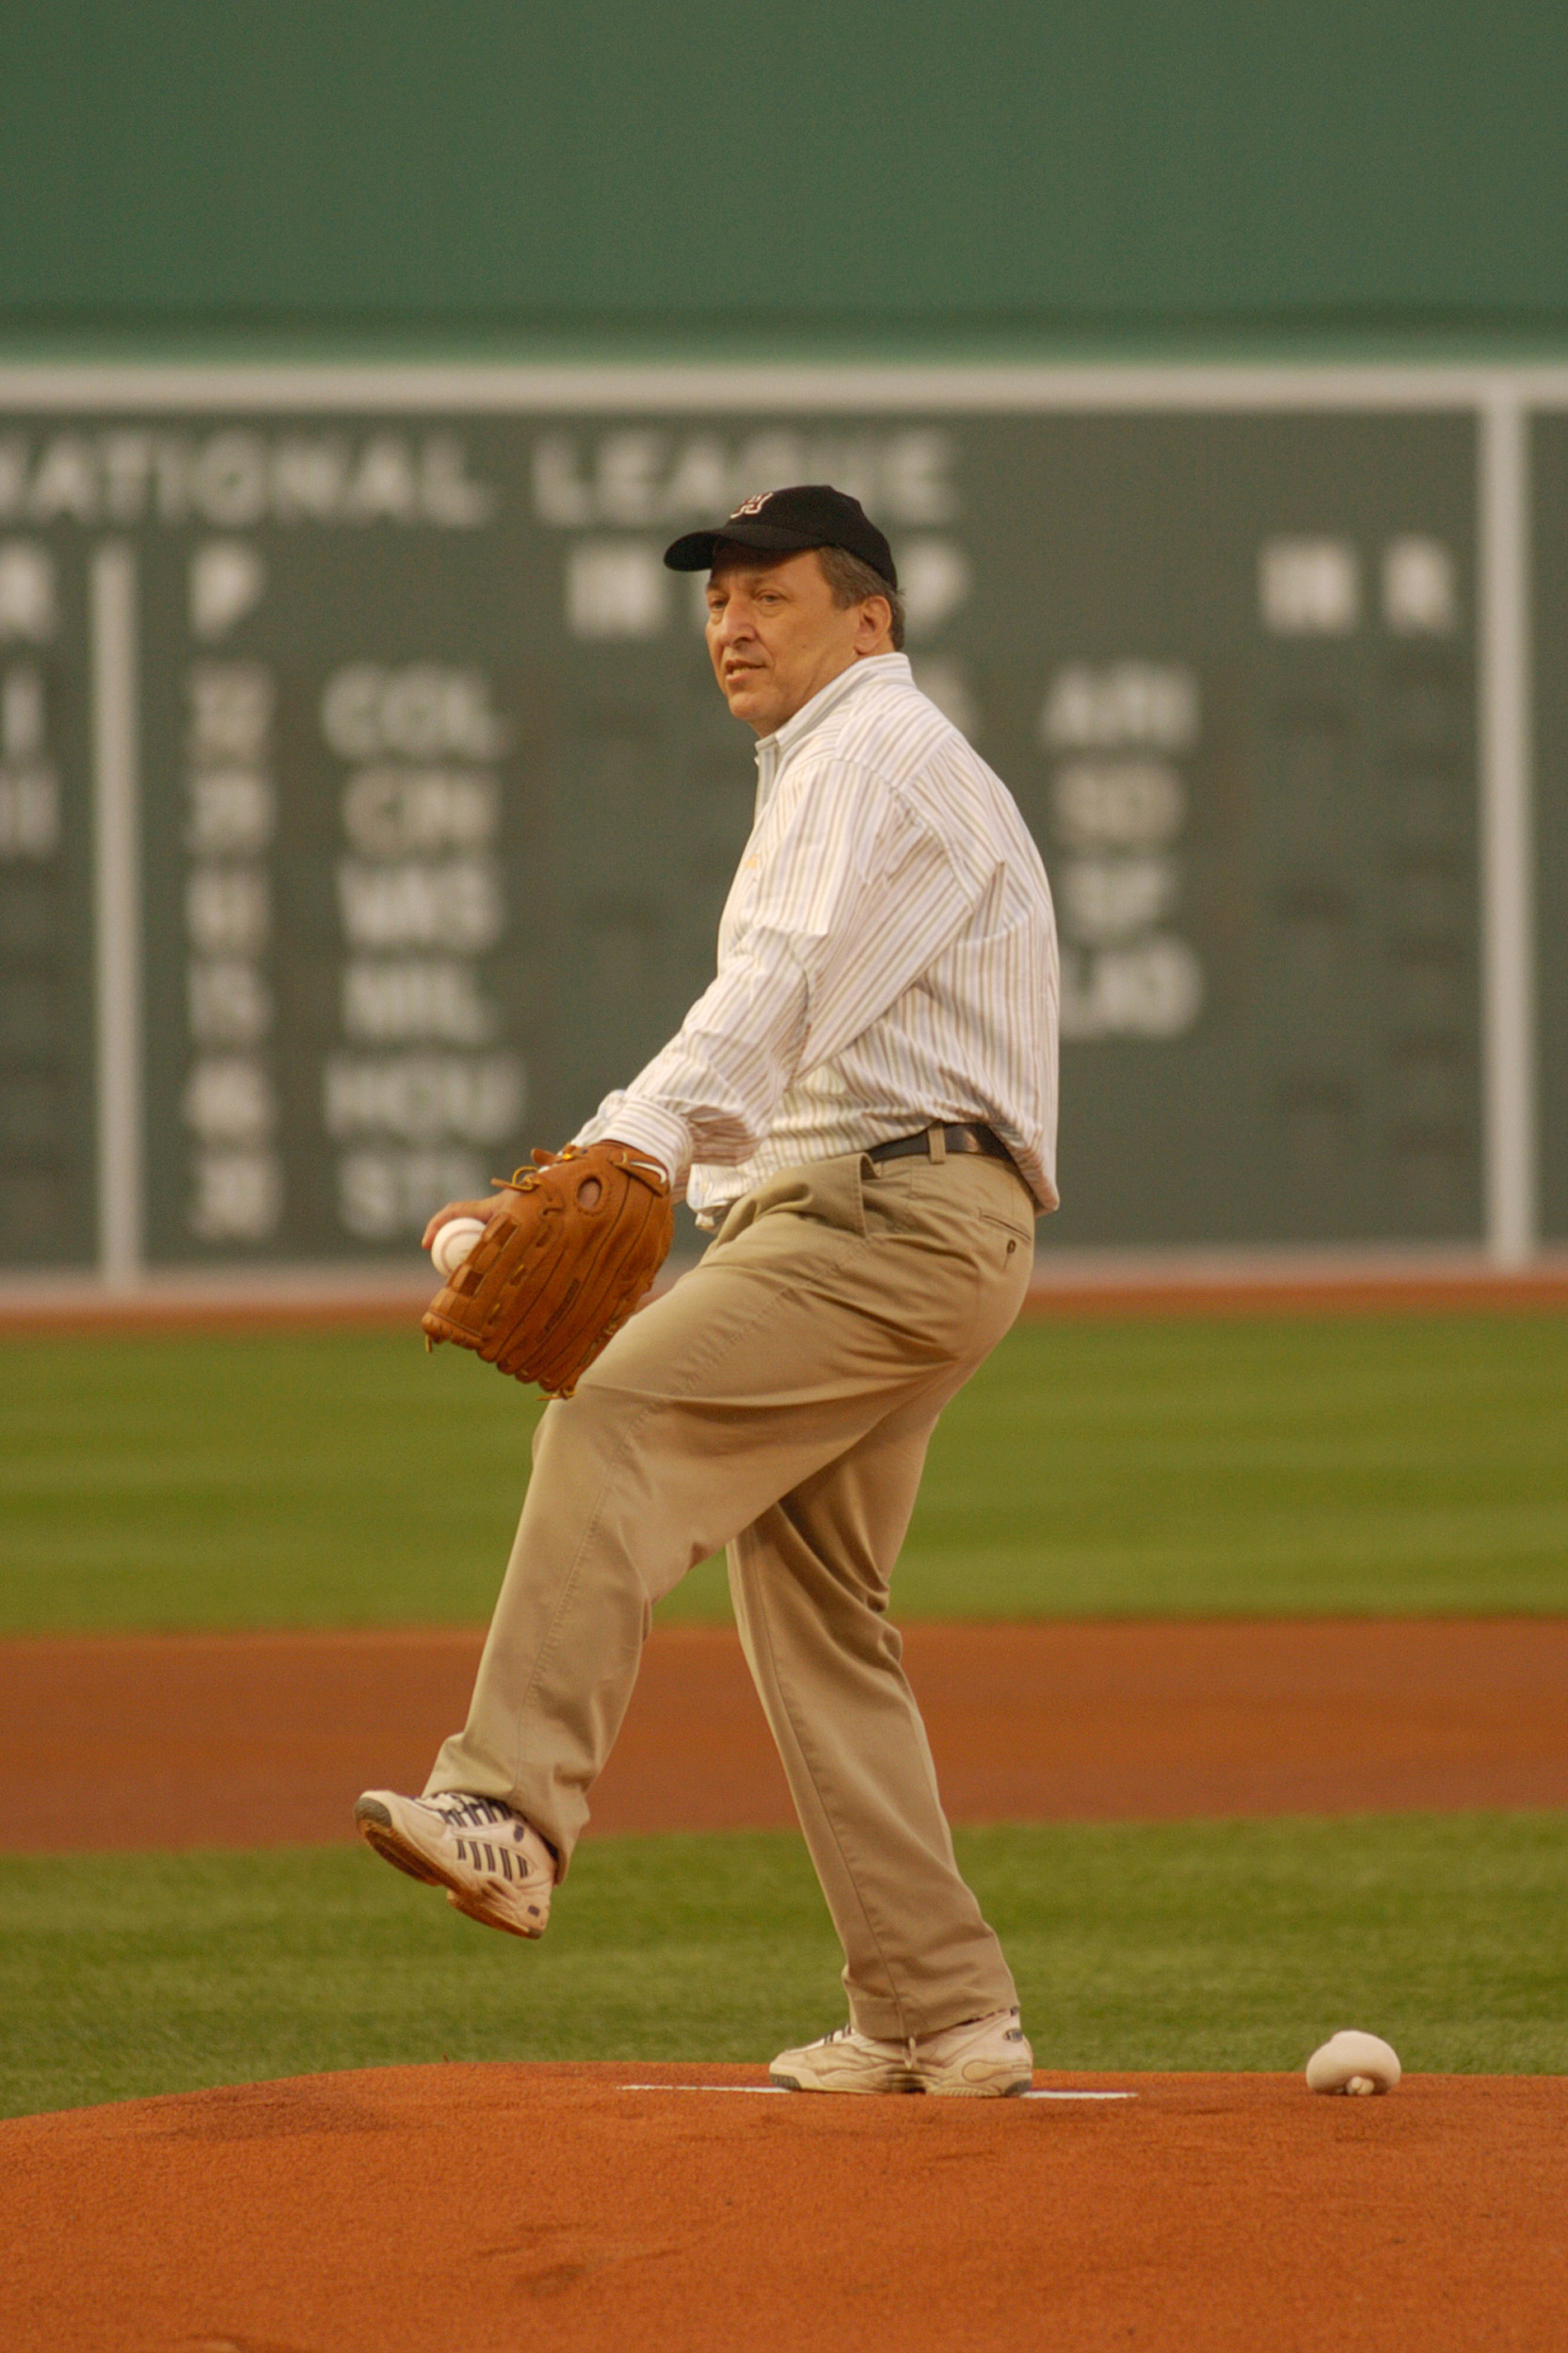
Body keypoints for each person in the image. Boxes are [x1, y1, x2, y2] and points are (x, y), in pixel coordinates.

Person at [356, 483, 1060, 2097]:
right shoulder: (844, 762)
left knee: (613, 1416)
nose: (732, 624)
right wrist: (675, 1185)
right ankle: (938, 2010)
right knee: (817, 1615)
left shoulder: (867, 751)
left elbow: (779, 985)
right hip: (886, 1211)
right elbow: (809, 1022)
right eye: (714, 601)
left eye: (772, 596)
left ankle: (508, 1808)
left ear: (868, 620)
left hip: (886, 1216)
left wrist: (618, 1150)